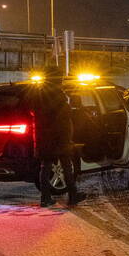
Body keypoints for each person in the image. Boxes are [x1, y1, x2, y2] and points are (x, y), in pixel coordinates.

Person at [31, 70, 83, 206]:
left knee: (45, 168)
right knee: (67, 166)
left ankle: (45, 198)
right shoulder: (59, 96)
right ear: (57, 80)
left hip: (43, 138)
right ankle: (73, 196)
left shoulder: (38, 95)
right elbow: (64, 118)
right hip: (59, 138)